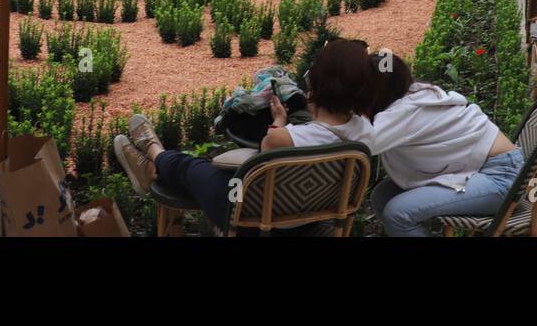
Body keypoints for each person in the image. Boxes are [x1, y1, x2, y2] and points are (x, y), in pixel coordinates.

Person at [112, 39, 374, 233]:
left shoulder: (283, 140)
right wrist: (283, 122)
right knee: (230, 174)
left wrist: (279, 122)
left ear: (318, 84)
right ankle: (153, 166)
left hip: (250, 220)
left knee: (192, 167)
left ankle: (153, 154)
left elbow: (272, 152)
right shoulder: (365, 134)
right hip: (314, 222)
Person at [365, 52, 523, 237]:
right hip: (489, 167)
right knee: (382, 196)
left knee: (398, 213)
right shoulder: (418, 93)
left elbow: (361, 144)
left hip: (501, 179)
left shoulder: (403, 112)